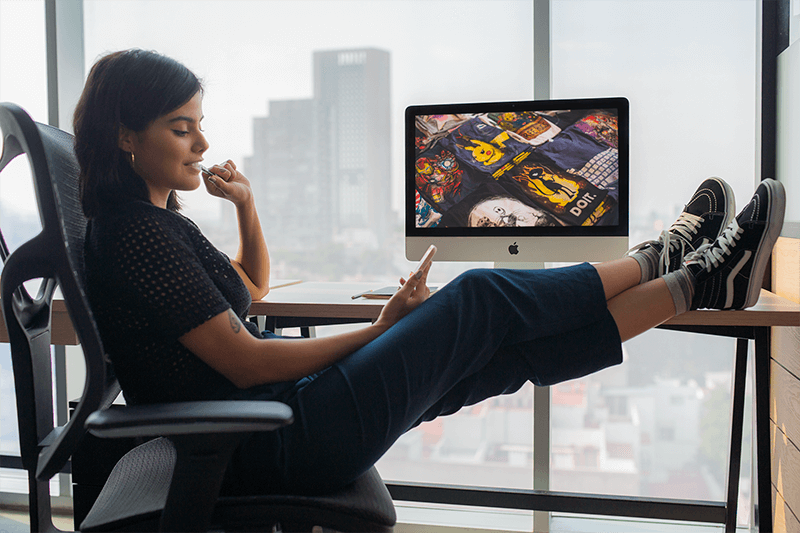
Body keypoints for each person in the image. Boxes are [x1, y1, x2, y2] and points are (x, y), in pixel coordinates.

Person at [74, 49, 786, 496]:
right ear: (125, 135)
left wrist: (248, 206)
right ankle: (660, 259)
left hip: (278, 417)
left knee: (499, 358)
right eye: (181, 127)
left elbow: (249, 290)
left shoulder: (157, 225)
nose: (203, 141)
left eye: (200, 122)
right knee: (477, 297)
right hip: (269, 440)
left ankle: (692, 282)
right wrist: (383, 326)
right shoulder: (135, 235)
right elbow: (251, 361)